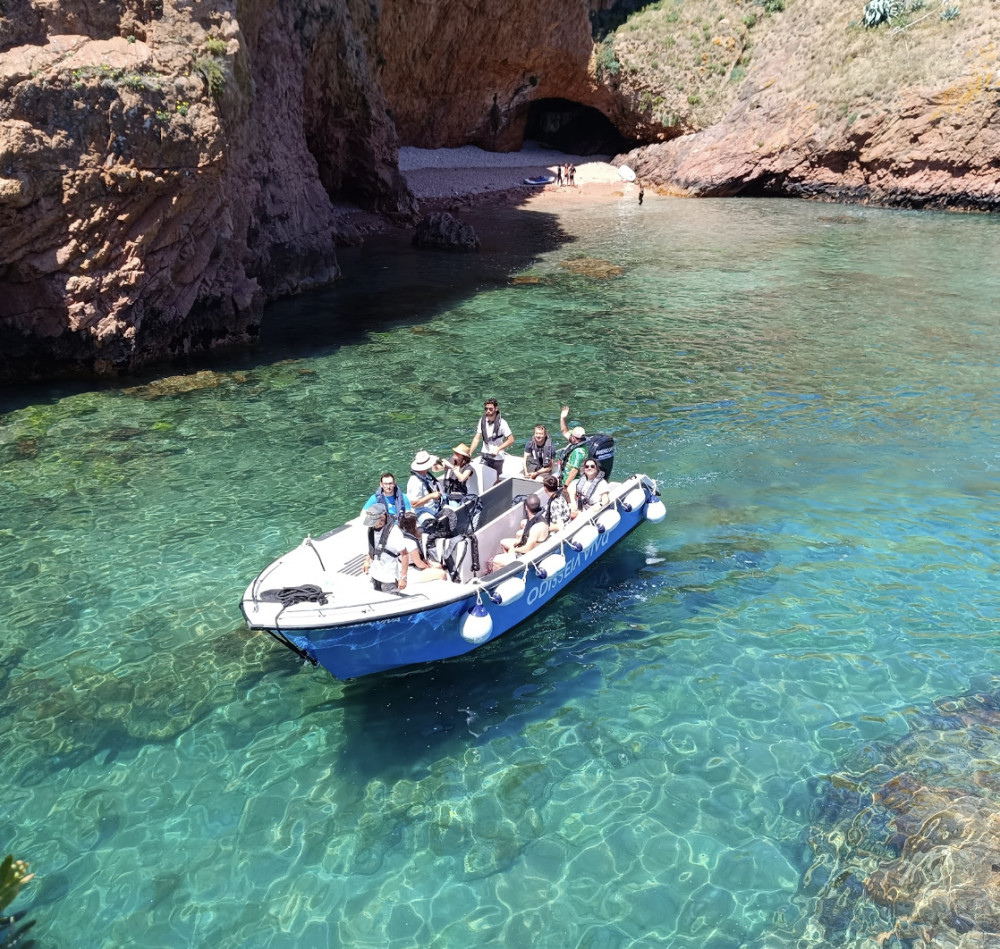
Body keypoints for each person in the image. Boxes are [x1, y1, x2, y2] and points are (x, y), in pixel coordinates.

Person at [492, 494, 549, 569]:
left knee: (496, 560)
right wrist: (516, 543)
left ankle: (501, 576)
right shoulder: (536, 517)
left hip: (529, 556)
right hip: (528, 547)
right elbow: (526, 537)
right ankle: (509, 568)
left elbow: (527, 549)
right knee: (503, 543)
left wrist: (514, 549)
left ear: (526, 507)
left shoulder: (536, 528)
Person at [362, 503, 409, 592]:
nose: (372, 524)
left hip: (388, 578)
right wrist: (367, 561)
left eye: (374, 521)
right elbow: (373, 547)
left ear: (382, 517)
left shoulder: (394, 532)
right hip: (374, 575)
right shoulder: (372, 528)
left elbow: (405, 555)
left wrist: (403, 578)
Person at [469, 398, 514, 481]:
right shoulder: (482, 421)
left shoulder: (502, 423)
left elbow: (511, 440)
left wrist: (498, 449)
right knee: (483, 478)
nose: (488, 411)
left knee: (494, 479)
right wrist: (470, 452)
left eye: (490, 409)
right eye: (486, 409)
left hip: (497, 457)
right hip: (485, 455)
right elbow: (476, 438)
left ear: (496, 409)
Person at [398, 512, 447, 582]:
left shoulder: (402, 535)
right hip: (410, 571)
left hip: (413, 566)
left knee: (438, 566)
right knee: (442, 573)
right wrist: (429, 568)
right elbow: (419, 563)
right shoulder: (410, 542)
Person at [406, 450, 443, 524]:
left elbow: (439, 467)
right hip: (422, 512)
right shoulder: (415, 481)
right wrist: (431, 496)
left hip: (434, 508)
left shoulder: (426, 475)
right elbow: (413, 504)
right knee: (433, 524)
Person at [558, 406, 590, 491]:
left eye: (571, 434)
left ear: (575, 438)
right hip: (564, 478)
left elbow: (574, 471)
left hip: (571, 484)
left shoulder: (579, 452)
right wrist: (562, 418)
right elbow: (564, 431)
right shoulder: (576, 442)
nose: (570, 435)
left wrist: (565, 486)